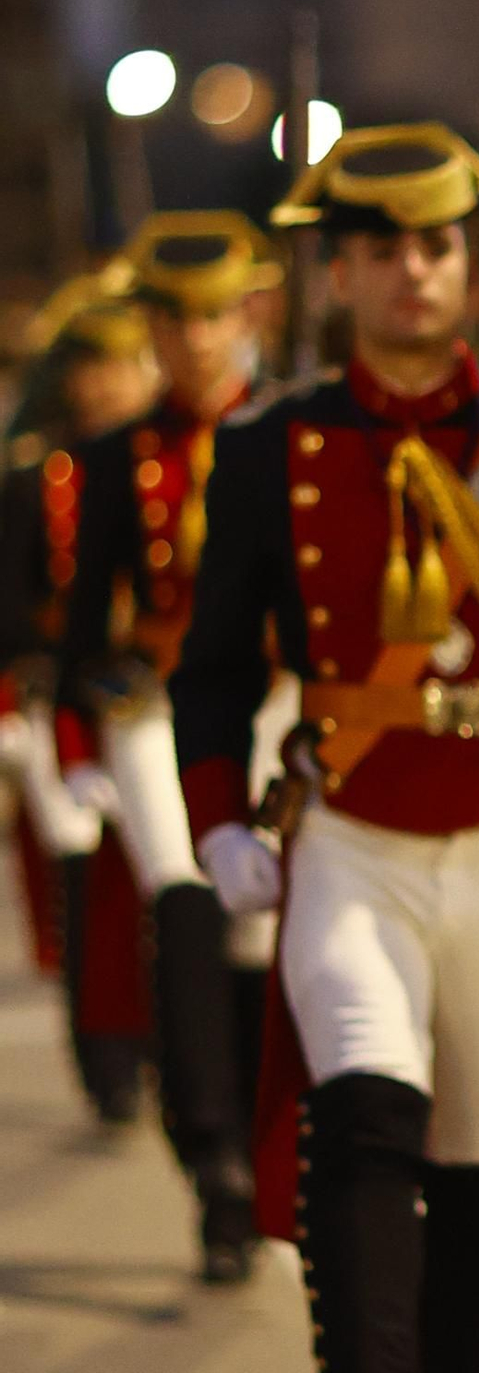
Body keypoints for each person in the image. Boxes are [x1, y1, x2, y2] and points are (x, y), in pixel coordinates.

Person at [172, 123, 479, 1373]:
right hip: (355, 833)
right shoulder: (274, 444)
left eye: (438, 245)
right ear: (335, 272)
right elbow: (214, 667)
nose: (413, 271)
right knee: (364, 1102)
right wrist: (217, 812)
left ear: (469, 263)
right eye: (383, 248)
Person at [54, 216, 278, 1272]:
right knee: (184, 897)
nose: (194, 342)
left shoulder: (290, 430)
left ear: (248, 316)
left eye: (212, 318)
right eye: (173, 321)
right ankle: (215, 1152)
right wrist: (85, 708)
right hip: (156, 706)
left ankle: (259, 1125)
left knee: (260, 931)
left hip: (276, 702)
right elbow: (86, 605)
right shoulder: (114, 456)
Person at [0, 278, 159, 1124]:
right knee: (87, 879)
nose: (103, 386)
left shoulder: (178, 459)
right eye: (90, 369)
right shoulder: (38, 478)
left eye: (119, 367)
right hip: (75, 696)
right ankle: (104, 1053)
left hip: (162, 695)